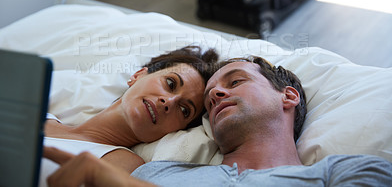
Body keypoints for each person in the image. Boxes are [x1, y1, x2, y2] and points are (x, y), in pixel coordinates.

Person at [44, 56, 392, 186]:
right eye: (209, 100)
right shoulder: (156, 173)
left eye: (236, 81)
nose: (217, 95)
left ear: (287, 96)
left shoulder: (338, 173)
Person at [40, 45, 218, 186]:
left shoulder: (124, 166)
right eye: (170, 83)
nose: (169, 102)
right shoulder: (39, 116)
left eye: (184, 110)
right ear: (138, 75)